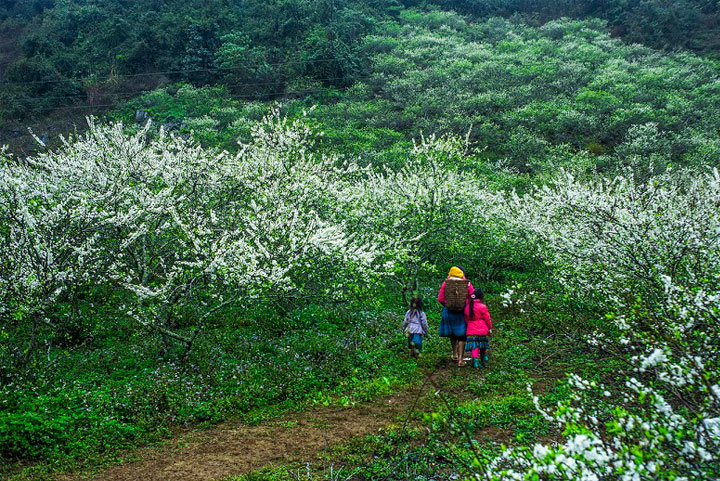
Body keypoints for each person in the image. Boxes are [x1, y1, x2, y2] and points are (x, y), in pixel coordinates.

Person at [438, 266, 474, 366]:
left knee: (452, 334)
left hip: (449, 311)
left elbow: (440, 298)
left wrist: (448, 305)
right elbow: (472, 297)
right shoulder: (467, 283)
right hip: (462, 312)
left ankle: (454, 354)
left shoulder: (446, 283)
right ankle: (461, 360)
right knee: (462, 335)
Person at [464, 287, 493, 368]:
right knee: (483, 343)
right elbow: (487, 318)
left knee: (474, 346)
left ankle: (475, 361)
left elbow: (466, 318)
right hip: (482, 329)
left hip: (471, 329)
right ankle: (484, 357)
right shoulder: (482, 306)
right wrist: (490, 327)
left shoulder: (467, 307)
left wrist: (468, 326)